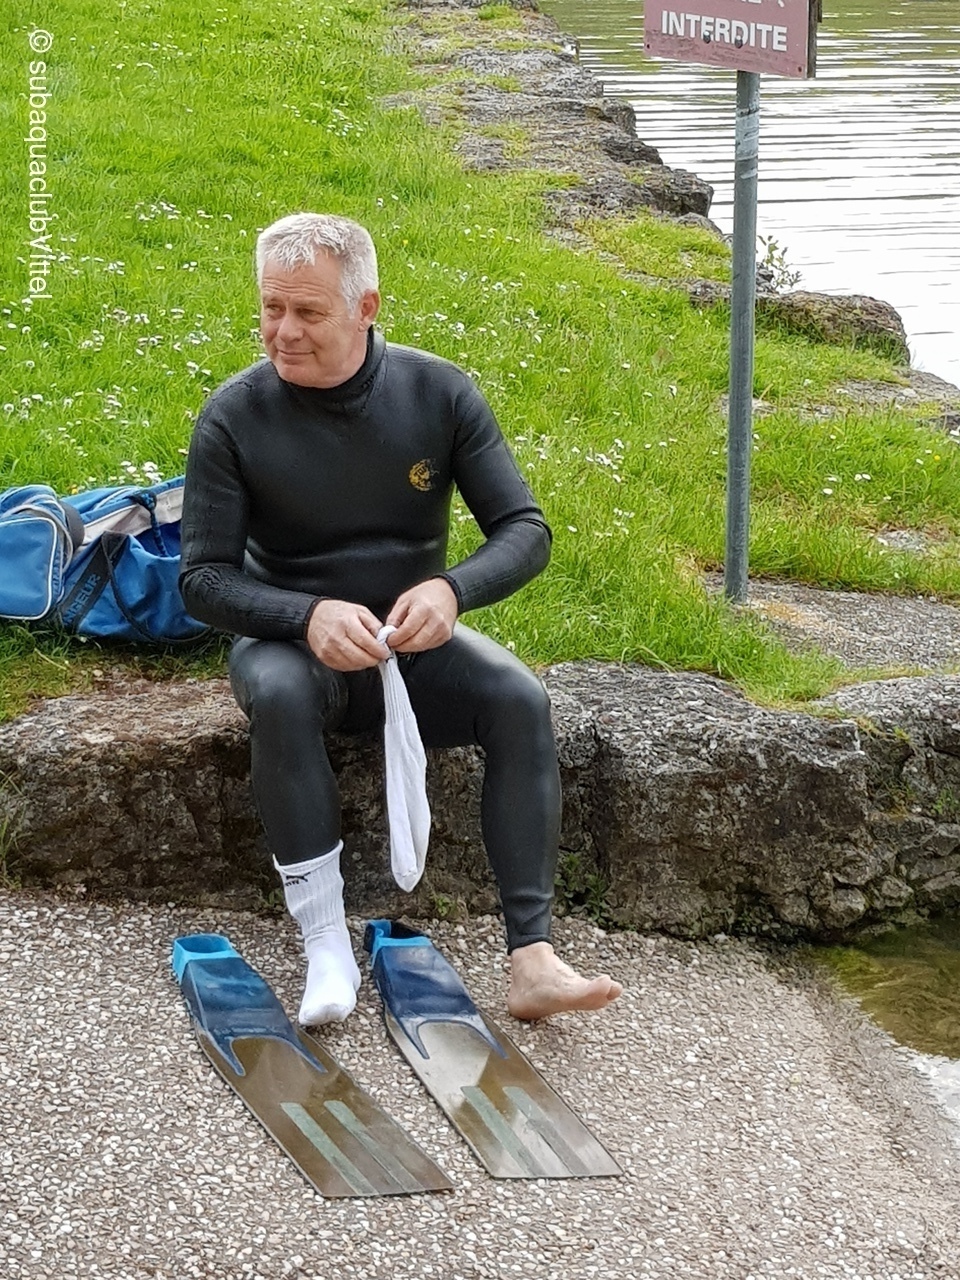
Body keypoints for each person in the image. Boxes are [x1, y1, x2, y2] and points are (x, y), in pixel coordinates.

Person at [179, 212, 622, 1026]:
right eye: (271, 307)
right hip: (291, 647)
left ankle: (533, 960)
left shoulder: (438, 394)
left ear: (366, 307)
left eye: (308, 312)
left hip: (411, 647)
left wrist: (451, 592)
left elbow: (525, 531)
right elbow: (203, 581)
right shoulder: (235, 416)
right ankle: (325, 945)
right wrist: (306, 615)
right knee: (279, 694)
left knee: (518, 697)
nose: (283, 331)